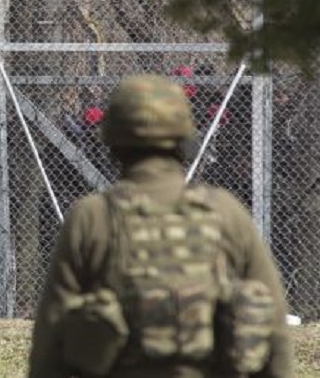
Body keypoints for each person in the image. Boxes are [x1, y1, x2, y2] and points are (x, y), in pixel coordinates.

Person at [28, 74, 293, 378]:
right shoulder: (226, 213)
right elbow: (275, 331)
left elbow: (51, 337)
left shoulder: (91, 218)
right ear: (183, 139)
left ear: (112, 140)